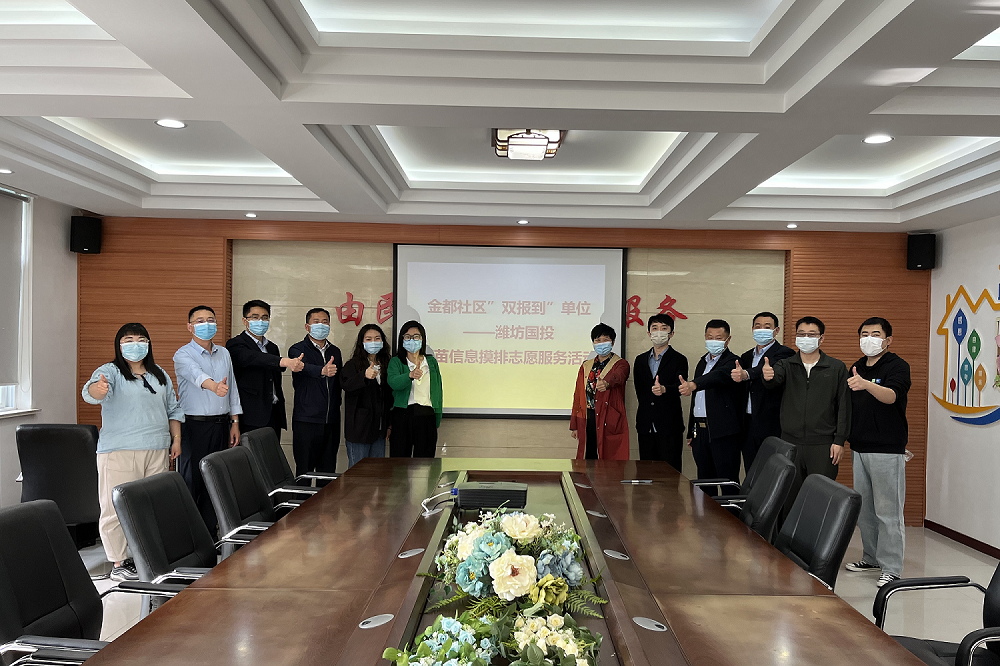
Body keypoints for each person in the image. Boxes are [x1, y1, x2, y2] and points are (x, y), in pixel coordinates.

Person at [83, 323, 184, 582]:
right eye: (128, 340)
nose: (135, 344)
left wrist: (176, 440)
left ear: (149, 344)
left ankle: (147, 557)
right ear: (119, 345)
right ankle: (119, 562)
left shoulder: (159, 374)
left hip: (157, 448)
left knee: (151, 505)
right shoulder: (110, 371)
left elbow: (173, 409)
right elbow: (91, 392)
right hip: (119, 450)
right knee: (115, 507)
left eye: (141, 339)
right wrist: (98, 389)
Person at [843, 317, 911, 588]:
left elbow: (892, 396)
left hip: (886, 449)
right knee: (866, 511)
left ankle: (892, 568)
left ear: (888, 339)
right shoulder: (857, 366)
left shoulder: (897, 365)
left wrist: (867, 384)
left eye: (875, 334)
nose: (868, 338)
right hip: (859, 447)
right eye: (864, 334)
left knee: (888, 512)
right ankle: (871, 557)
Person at [173, 305, 242, 534]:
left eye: (210, 320)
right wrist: (214, 386)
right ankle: (190, 535)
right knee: (192, 481)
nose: (207, 324)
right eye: (200, 321)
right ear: (190, 327)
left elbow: (232, 389)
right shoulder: (183, 354)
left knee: (216, 480)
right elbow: (196, 375)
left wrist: (234, 422)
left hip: (221, 425)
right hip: (194, 426)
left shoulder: (224, 353)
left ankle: (211, 534)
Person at [762, 316, 850, 479]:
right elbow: (774, 380)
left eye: (811, 334)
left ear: (821, 338)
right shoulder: (786, 365)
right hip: (789, 442)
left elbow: (844, 405)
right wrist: (768, 377)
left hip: (823, 444)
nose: (806, 338)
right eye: (801, 334)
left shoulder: (836, 367)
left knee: (820, 490)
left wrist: (839, 440)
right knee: (789, 490)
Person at [679, 319, 742, 492]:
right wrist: (691, 430)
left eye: (718, 338)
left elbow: (718, 376)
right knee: (705, 482)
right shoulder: (702, 362)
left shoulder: (733, 362)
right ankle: (706, 511)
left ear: (728, 340)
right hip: (700, 432)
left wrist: (694, 384)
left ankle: (732, 511)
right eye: (709, 337)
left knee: (727, 481)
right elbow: (696, 401)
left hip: (723, 432)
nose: (713, 341)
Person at [226, 299, 304, 440]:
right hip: (250, 417)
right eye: (255, 317)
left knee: (271, 453)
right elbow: (253, 358)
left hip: (273, 414)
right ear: (245, 320)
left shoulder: (272, 347)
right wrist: (284, 361)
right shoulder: (235, 344)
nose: (260, 321)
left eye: (265, 317)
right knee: (249, 453)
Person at [730, 312, 795, 470]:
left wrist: (746, 374)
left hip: (771, 423)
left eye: (767, 327)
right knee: (751, 469)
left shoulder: (785, 353)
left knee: (771, 471)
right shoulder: (746, 356)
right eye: (758, 326)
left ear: (776, 330)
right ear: (752, 329)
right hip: (748, 423)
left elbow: (765, 369)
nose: (761, 330)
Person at [288, 308, 343, 477]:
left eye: (325, 322)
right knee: (304, 471)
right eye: (316, 322)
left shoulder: (335, 351)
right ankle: (302, 497)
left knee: (327, 472)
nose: (321, 325)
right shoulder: (297, 350)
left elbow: (338, 383)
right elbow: (303, 368)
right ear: (307, 326)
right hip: (306, 420)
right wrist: (322, 371)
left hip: (331, 421)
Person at [632, 314, 688, 470]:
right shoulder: (640, 360)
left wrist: (665, 389)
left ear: (671, 333)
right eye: (655, 328)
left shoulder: (679, 359)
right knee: (646, 473)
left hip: (669, 425)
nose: (659, 332)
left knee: (670, 474)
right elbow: (640, 391)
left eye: (664, 328)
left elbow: (681, 387)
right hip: (645, 425)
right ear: (649, 333)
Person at [570, 323, 631, 460]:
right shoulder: (586, 366)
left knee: (609, 459)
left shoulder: (621, 364)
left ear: (613, 342)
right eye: (598, 340)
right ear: (593, 343)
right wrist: (574, 425)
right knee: (588, 456)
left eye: (605, 340)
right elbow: (578, 395)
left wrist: (607, 383)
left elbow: (619, 376)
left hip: (609, 417)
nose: (601, 343)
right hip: (588, 417)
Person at [388, 320, 443, 457]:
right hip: (402, 416)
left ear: (422, 339)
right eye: (407, 337)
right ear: (402, 340)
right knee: (399, 462)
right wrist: (410, 375)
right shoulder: (396, 361)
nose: (412, 340)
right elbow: (393, 383)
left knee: (425, 463)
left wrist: (437, 417)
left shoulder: (431, 362)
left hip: (426, 416)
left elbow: (438, 391)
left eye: (416, 336)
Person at [341, 323, 392, 468]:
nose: (373, 342)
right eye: (368, 339)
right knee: (357, 473)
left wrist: (389, 424)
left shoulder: (387, 364)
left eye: (377, 338)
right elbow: (346, 385)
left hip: (379, 430)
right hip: (359, 430)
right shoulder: (353, 364)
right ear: (361, 342)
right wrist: (364, 375)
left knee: (377, 473)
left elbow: (389, 397)